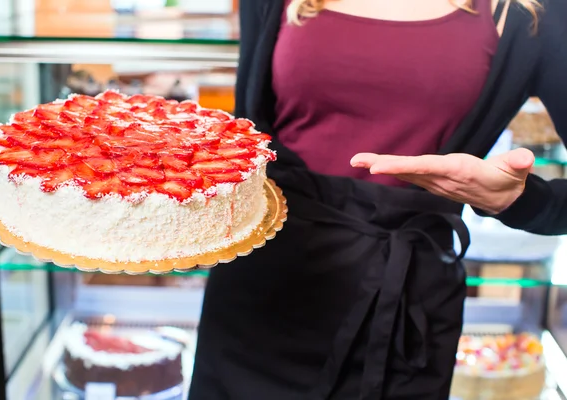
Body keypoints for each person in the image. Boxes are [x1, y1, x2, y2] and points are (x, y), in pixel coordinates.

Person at [189, 0, 567, 399]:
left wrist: (519, 199)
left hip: (402, 311)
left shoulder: (532, 10)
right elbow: (244, 142)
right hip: (260, 295)